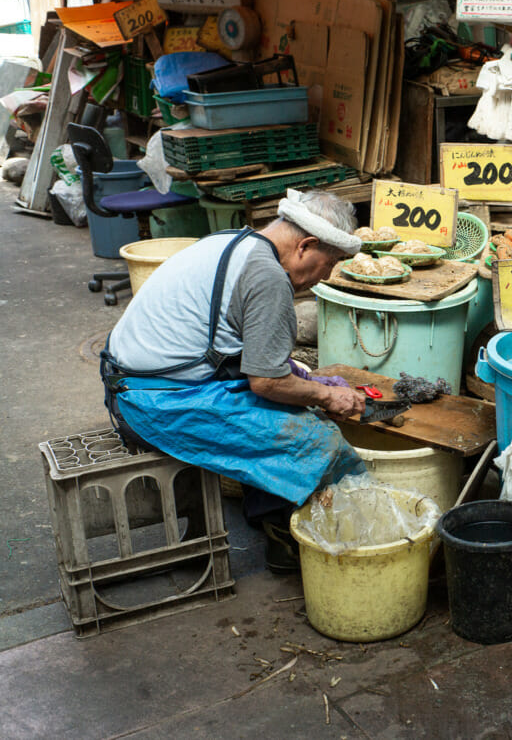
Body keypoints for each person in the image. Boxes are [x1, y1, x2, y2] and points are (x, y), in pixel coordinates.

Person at [100, 189, 368, 573]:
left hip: (133, 383)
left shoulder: (234, 240)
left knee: (290, 398)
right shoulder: (267, 277)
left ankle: (273, 519)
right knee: (317, 439)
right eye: (331, 262)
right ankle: (331, 538)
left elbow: (243, 351)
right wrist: (326, 396)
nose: (328, 274)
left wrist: (303, 380)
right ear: (306, 246)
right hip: (155, 404)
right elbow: (265, 383)